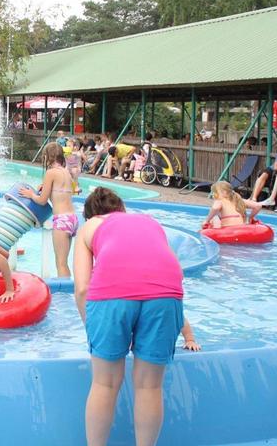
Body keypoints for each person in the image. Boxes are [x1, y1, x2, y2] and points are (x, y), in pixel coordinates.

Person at [74, 187, 200, 446]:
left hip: (111, 295)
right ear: (122, 209)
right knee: (149, 386)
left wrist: (92, 326)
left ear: (90, 215)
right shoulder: (149, 222)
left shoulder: (89, 227)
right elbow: (172, 269)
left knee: (105, 384)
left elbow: (83, 288)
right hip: (166, 294)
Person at [19, 142, 77, 277]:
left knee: (60, 264)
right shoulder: (66, 172)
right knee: (64, 263)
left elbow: (42, 200)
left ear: (47, 156)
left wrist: (30, 194)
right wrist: (45, 188)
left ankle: (64, 291)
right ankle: (67, 288)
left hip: (62, 220)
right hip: (72, 219)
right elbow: (59, 194)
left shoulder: (51, 173)